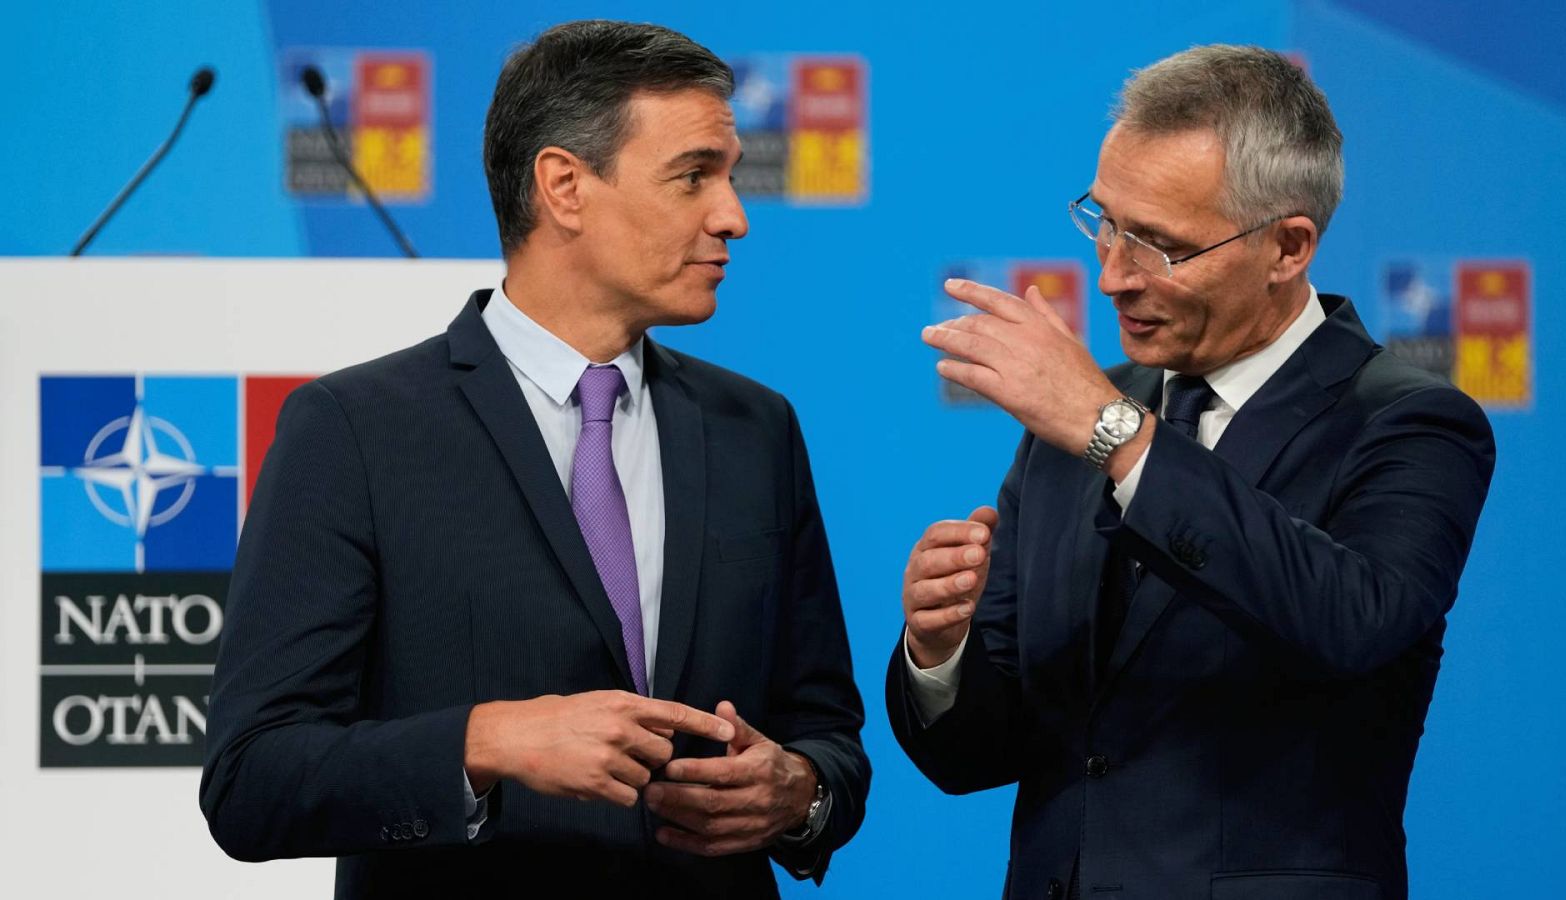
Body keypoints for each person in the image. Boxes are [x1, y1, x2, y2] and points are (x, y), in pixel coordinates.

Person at [201, 20, 868, 898]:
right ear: (564, 187)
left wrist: (799, 792)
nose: (732, 216)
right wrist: (487, 740)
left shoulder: (756, 428)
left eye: (732, 176)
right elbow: (252, 780)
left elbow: (826, 731)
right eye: (693, 176)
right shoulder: (354, 429)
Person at [887, 45, 1494, 900]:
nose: (1111, 276)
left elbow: (1351, 620)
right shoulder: (1072, 426)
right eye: (1106, 222)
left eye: (1161, 246)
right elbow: (978, 756)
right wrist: (939, 651)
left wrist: (1117, 436)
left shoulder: (1408, 422)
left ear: (1288, 247)